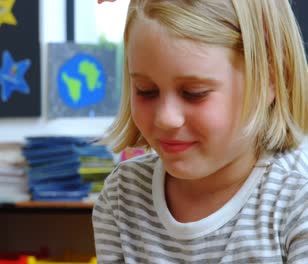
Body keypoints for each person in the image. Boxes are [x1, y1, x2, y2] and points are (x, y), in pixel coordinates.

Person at [92, 0, 308, 263]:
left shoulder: (297, 197)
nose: (166, 118)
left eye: (195, 94)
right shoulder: (121, 196)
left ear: (269, 81)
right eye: (146, 91)